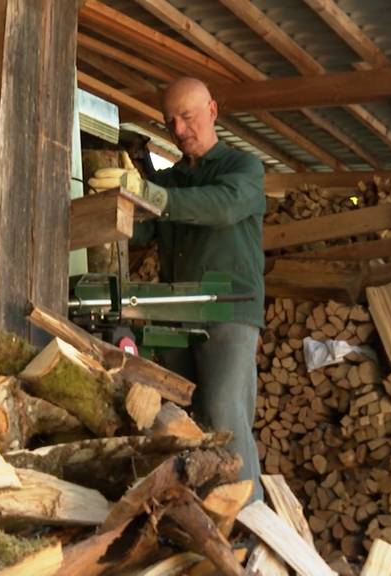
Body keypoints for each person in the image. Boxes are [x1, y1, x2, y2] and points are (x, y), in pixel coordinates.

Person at [93, 77, 266, 500]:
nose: (179, 129)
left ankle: (251, 523)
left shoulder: (242, 168)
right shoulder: (171, 181)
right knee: (176, 418)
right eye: (171, 122)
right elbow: (137, 232)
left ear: (213, 111)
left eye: (187, 117)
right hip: (177, 311)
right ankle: (196, 513)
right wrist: (109, 202)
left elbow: (222, 206)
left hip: (229, 308)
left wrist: (150, 193)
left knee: (225, 415)